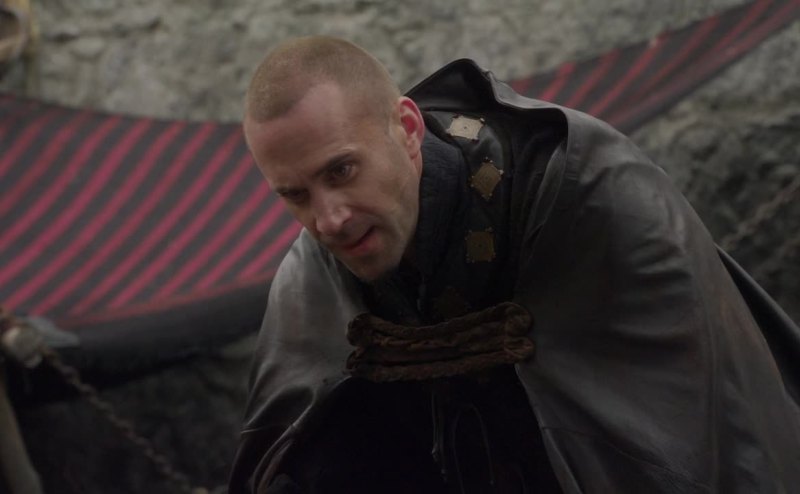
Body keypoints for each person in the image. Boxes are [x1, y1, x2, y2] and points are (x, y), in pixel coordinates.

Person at [230, 36, 800, 493]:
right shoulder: (319, 271)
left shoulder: (586, 195)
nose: (328, 219)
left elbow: (696, 443)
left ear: (406, 129)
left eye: (341, 171)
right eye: (295, 195)